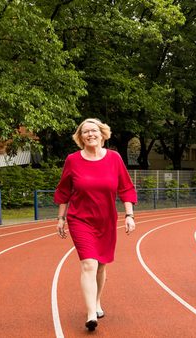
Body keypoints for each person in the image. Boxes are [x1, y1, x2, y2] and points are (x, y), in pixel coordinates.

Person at [54, 118, 138, 331]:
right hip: (80, 219)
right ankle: (91, 312)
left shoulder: (114, 158)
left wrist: (129, 215)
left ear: (102, 134)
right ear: (80, 138)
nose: (90, 134)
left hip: (106, 219)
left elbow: (126, 188)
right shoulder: (73, 160)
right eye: (85, 132)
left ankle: (97, 301)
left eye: (93, 131)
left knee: (101, 265)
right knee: (88, 263)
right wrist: (61, 219)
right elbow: (64, 190)